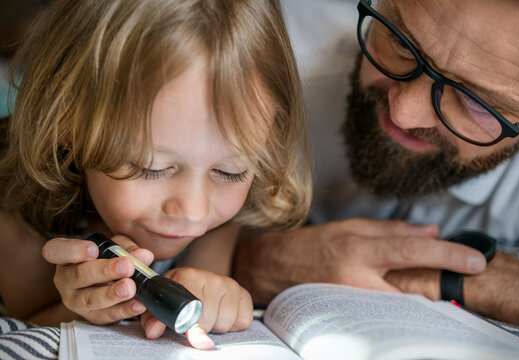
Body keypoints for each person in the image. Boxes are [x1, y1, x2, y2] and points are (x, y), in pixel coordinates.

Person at [186, 0, 519, 332]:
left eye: (475, 102)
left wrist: (457, 279)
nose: (403, 112)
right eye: (402, 43)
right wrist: (253, 258)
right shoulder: (255, 75)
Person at [0, 0, 310, 349]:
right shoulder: (15, 208)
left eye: (230, 171)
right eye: (152, 168)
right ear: (69, 125)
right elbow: (26, 323)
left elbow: (209, 286)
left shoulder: (222, 218)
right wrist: (85, 309)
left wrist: (216, 292)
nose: (193, 211)